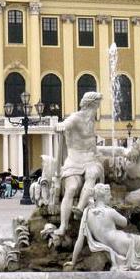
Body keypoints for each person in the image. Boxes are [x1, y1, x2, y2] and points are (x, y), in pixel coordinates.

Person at [53, 92, 105, 238]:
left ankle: (80, 209)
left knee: (92, 174)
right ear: (90, 105)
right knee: (71, 188)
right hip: (74, 159)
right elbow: (63, 125)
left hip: (90, 159)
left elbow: (92, 144)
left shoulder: (91, 121)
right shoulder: (75, 118)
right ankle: (63, 225)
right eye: (96, 106)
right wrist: (60, 126)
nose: (97, 110)